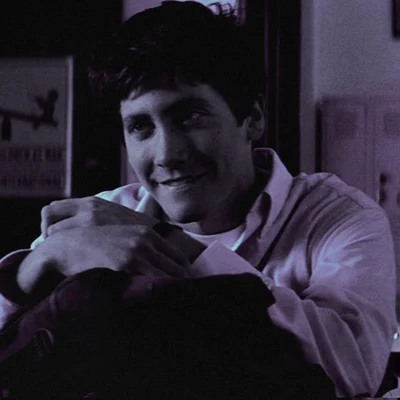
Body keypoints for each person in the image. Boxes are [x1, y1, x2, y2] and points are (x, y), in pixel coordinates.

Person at [0, 1, 397, 397]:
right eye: (140, 126)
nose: (167, 154)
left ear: (253, 117)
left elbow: (353, 370)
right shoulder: (102, 218)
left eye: (190, 116)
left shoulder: (339, 217)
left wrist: (167, 244)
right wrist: (39, 262)